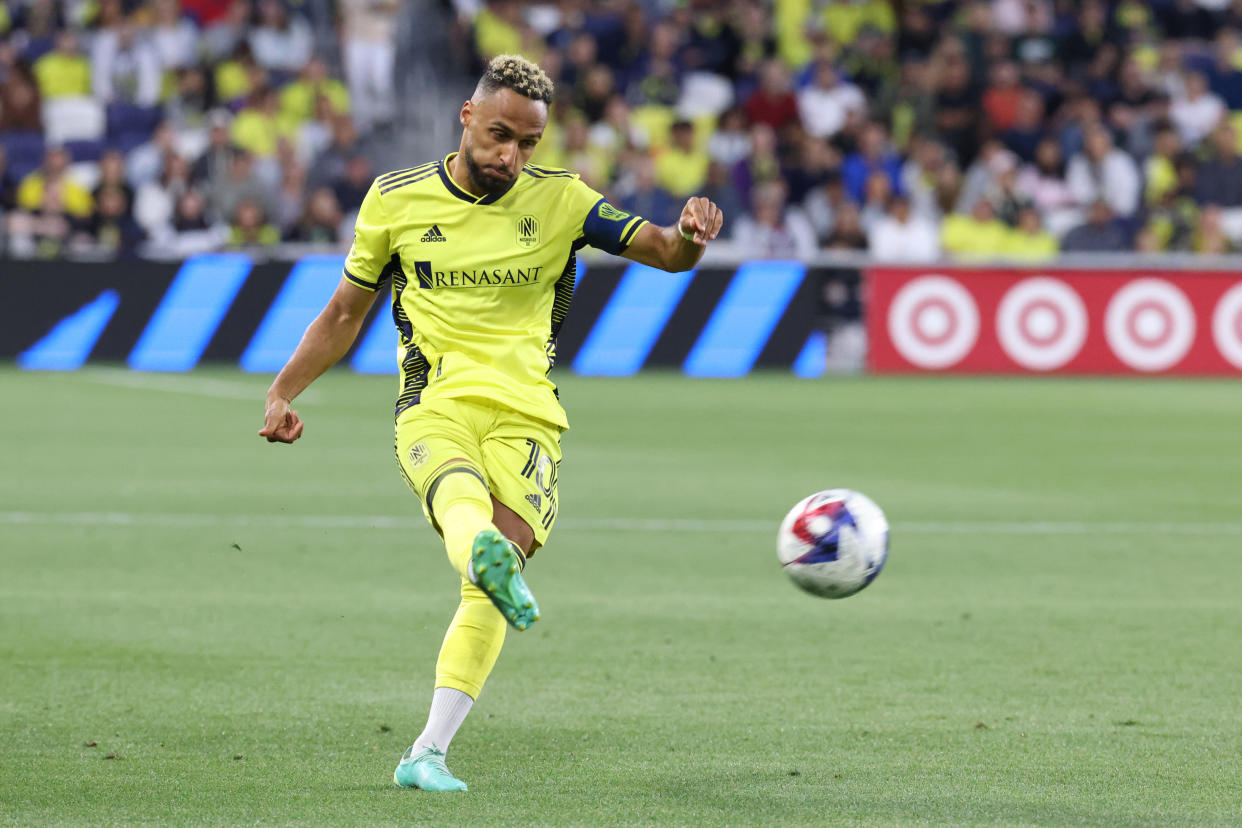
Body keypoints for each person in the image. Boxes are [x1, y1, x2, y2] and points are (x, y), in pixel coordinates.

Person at [257, 54, 723, 792]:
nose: (511, 155)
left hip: (530, 418)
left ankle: (425, 755)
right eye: (500, 134)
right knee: (466, 516)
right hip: (434, 401)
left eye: (528, 142)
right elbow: (347, 310)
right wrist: (284, 390)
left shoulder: (565, 201)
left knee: (489, 583)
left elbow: (666, 253)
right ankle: (481, 555)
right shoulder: (396, 199)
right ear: (467, 118)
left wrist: (693, 231)